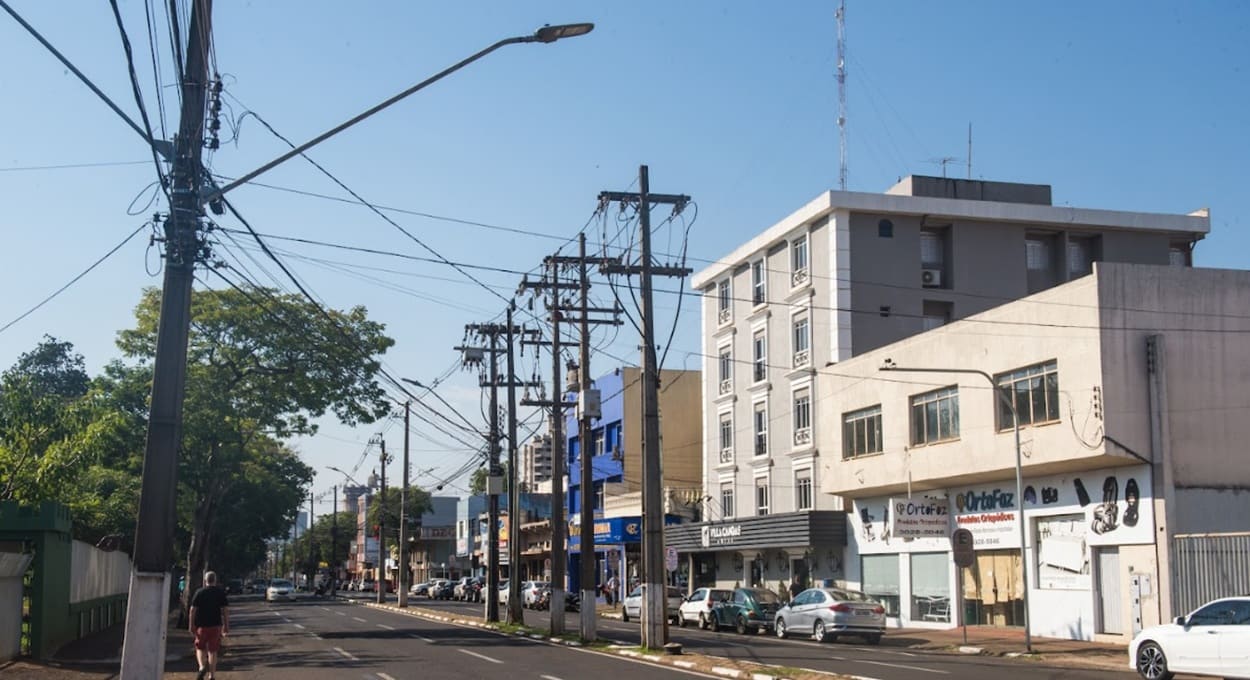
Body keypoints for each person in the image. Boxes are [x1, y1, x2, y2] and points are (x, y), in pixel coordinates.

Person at [189, 570, 230, 680]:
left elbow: (192, 610)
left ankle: (202, 667)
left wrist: (191, 625)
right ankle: (212, 675)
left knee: (200, 648)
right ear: (215, 580)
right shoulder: (220, 593)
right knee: (213, 651)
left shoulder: (199, 592)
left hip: (201, 626)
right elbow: (225, 610)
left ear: (205, 580)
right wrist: (226, 625)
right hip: (216, 626)